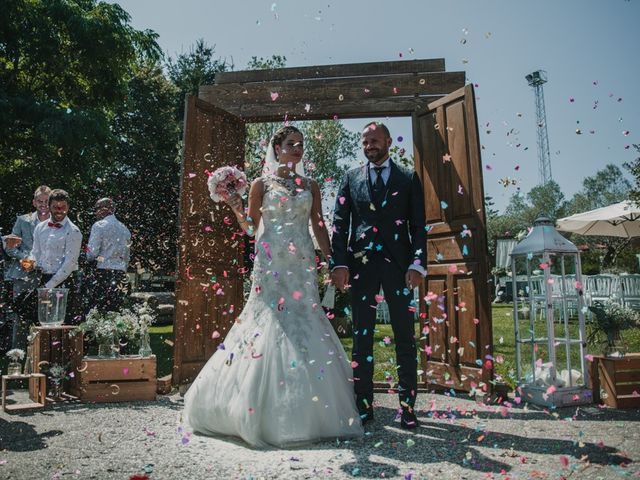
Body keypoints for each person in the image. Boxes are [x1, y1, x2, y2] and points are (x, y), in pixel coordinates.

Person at [184, 126, 364, 447]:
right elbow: (252, 229)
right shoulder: (260, 184)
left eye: (300, 145)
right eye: (291, 144)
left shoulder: (310, 185)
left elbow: (318, 224)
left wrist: (333, 260)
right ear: (277, 148)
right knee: (268, 322)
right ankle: (253, 408)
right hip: (271, 264)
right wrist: (236, 205)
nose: (297, 149)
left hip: (301, 265)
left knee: (304, 320)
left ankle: (313, 411)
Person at [331, 122, 426, 429]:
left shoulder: (409, 178)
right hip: (362, 267)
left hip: (399, 268)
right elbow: (339, 224)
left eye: (374, 140)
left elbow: (418, 226)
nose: (369, 145)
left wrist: (417, 264)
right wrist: (339, 263)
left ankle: (408, 407)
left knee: (404, 338)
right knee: (361, 338)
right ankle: (363, 406)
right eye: (365, 141)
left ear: (387, 141)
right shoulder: (351, 178)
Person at [4, 185, 51, 348]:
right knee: (21, 317)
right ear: (34, 202)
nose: (43, 204)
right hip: (24, 275)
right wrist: (25, 258)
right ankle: (17, 356)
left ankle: (43, 358)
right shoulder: (23, 220)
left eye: (47, 201)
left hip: (47, 276)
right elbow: (9, 246)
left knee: (46, 316)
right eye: (40, 201)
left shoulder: (58, 223)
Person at [27, 189, 83, 324]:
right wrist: (30, 262)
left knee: (63, 323)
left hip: (66, 280)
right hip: (44, 277)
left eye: (63, 207)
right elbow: (35, 252)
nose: (59, 211)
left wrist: (49, 287)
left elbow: (69, 263)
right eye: (55, 207)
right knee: (34, 315)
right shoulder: (40, 227)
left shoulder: (73, 231)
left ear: (68, 207)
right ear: (49, 206)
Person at [86, 197, 131, 313]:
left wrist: (86, 255)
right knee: (116, 310)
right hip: (120, 273)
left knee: (100, 310)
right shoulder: (125, 229)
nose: (96, 212)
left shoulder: (99, 225)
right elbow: (126, 256)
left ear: (106, 209)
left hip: (103, 272)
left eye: (97, 209)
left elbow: (92, 253)